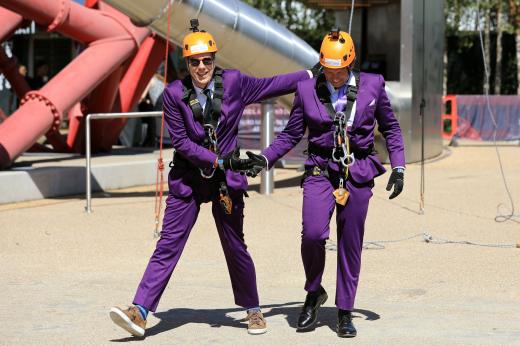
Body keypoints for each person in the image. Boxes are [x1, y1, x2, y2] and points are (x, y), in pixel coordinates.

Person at [109, 19, 316, 338]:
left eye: (207, 60)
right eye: (195, 61)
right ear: (186, 64)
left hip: (225, 184)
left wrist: (310, 73)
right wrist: (219, 159)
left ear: (215, 60)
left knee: (235, 246)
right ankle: (140, 311)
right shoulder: (174, 94)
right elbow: (181, 142)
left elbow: (271, 84)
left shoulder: (234, 83)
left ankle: (253, 310)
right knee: (168, 244)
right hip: (188, 180)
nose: (202, 67)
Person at [244, 28, 405, 338]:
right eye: (329, 70)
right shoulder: (306, 90)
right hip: (320, 169)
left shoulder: (373, 86)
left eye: (340, 70)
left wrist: (399, 168)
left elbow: (392, 130)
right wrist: (265, 158)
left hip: (358, 170)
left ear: (351, 63)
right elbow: (291, 134)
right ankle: (314, 291)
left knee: (350, 241)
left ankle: (345, 311)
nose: (335, 76)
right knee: (314, 234)